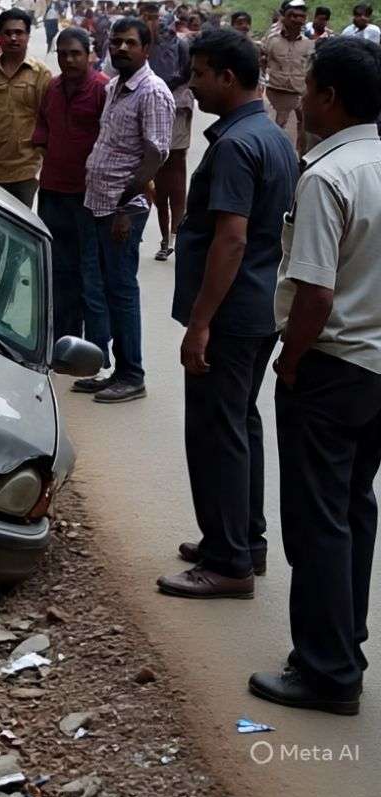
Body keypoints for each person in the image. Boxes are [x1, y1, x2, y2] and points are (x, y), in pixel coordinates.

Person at [249, 36, 381, 716]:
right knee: (354, 506)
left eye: (310, 92)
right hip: (375, 370)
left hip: (331, 367)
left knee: (319, 521)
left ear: (327, 97)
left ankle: (327, 672)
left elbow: (316, 294)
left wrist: (291, 361)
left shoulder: (327, 176)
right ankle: (343, 636)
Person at [155, 30, 298, 598]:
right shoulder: (270, 134)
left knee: (218, 432)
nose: (193, 84)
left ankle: (227, 560)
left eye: (201, 73)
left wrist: (200, 322)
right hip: (257, 307)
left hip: (232, 313)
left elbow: (231, 240)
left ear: (228, 78)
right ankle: (245, 539)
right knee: (241, 425)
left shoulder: (239, 145)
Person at [76, 17, 174, 402]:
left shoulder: (152, 91)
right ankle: (115, 369)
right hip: (98, 203)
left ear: (146, 49)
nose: (121, 48)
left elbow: (156, 155)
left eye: (130, 43)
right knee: (106, 288)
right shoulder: (116, 85)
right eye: (116, 42)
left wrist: (124, 208)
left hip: (123, 210)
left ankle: (132, 374)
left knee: (121, 290)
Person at [33, 28, 110, 354]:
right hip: (52, 192)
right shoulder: (51, 88)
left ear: (89, 54)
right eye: (63, 53)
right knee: (58, 270)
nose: (68, 59)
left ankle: (95, 351)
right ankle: (63, 341)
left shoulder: (103, 89)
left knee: (89, 276)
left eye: (75, 53)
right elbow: (41, 133)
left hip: (88, 197)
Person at [0, 8, 51, 207]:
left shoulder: (40, 74)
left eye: (19, 32)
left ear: (28, 36)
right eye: (7, 33)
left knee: (20, 219)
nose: (13, 38)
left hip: (27, 164)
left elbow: (48, 122)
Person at [140, 2, 193, 261]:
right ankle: (165, 238)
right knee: (158, 183)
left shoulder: (181, 45)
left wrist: (167, 85)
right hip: (153, 111)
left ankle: (175, 237)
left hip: (179, 111)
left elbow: (187, 74)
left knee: (177, 180)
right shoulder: (143, 46)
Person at [261, 0, 314, 153]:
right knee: (275, 129)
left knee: (303, 128)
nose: (297, 19)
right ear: (283, 17)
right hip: (275, 92)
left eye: (301, 16)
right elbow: (262, 61)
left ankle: (300, 159)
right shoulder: (271, 40)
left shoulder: (309, 44)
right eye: (292, 15)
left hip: (299, 93)